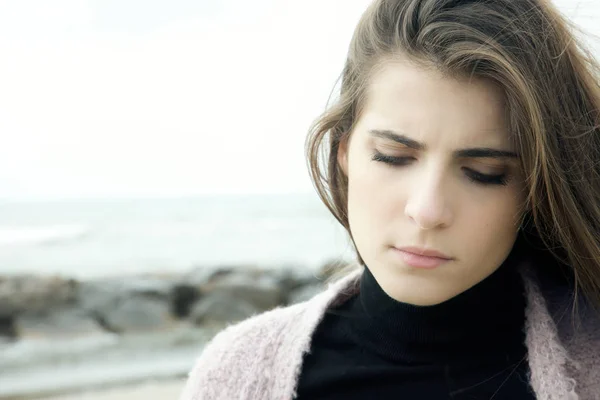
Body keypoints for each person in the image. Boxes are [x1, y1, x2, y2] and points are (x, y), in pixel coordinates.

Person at [180, 0, 600, 398]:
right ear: (343, 151)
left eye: (484, 174)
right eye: (394, 158)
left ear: (537, 186)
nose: (427, 210)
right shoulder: (236, 375)